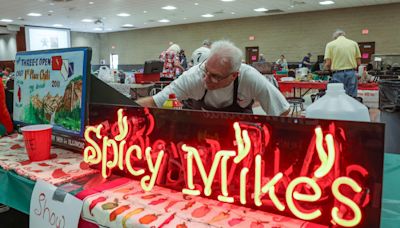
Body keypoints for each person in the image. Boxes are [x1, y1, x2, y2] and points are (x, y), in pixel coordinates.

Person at [137, 40, 290, 116]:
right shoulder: (195, 76)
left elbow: (282, 110)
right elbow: (155, 102)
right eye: (206, 71)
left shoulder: (250, 77)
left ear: (234, 75)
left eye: (215, 76)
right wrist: (119, 110)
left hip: (242, 138)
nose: (206, 79)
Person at [324, 29, 361, 97]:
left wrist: (329, 70)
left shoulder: (330, 45)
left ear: (335, 37)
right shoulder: (354, 43)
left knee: (338, 97)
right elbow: (358, 63)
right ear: (344, 35)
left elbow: (328, 63)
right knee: (352, 97)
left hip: (337, 74)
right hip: (351, 73)